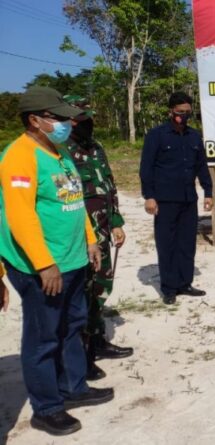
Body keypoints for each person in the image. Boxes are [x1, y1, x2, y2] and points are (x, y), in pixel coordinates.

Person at [0, 86, 113, 435]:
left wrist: (91, 241)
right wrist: (44, 263)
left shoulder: (58, 152)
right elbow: (20, 217)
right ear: (35, 120)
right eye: (58, 117)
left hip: (73, 260)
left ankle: (73, 388)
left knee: (73, 325)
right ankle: (47, 407)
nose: (66, 123)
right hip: (41, 268)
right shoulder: (19, 156)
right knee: (43, 337)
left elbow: (73, 201)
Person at [64, 95, 133, 381]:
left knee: (101, 288)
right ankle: (82, 357)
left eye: (90, 118)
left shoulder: (96, 148)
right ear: (68, 121)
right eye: (82, 119)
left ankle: (97, 341)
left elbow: (109, 186)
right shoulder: (61, 153)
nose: (88, 124)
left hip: (103, 232)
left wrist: (116, 222)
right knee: (81, 295)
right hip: (79, 237)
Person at [139, 92, 212, 304]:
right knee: (167, 243)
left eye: (188, 112)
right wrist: (149, 196)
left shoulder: (194, 136)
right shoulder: (157, 135)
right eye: (180, 112)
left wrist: (208, 192)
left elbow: (201, 166)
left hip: (189, 199)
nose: (184, 116)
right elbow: (146, 168)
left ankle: (184, 283)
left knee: (187, 243)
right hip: (164, 199)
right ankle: (169, 287)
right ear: (170, 111)